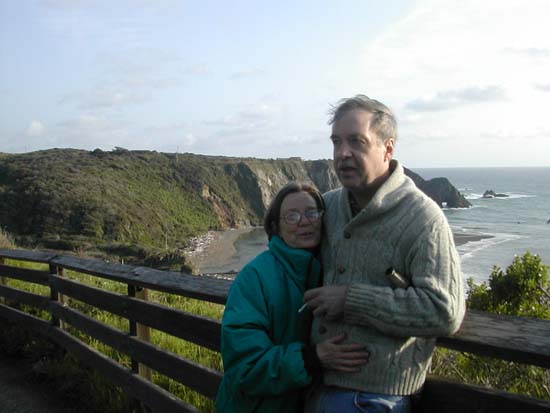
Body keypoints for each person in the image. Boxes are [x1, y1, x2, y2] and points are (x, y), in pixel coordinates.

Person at [303, 95, 466, 413]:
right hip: (314, 382)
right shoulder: (329, 206)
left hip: (374, 397)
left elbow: (444, 310)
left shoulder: (423, 218)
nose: (343, 153)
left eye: (357, 141)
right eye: (336, 142)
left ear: (388, 148)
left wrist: (351, 300)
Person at [216, 182, 369, 413]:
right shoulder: (254, 278)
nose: (304, 221)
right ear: (275, 226)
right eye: (292, 216)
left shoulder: (330, 273)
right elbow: (244, 367)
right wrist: (311, 359)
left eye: (312, 213)